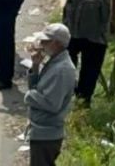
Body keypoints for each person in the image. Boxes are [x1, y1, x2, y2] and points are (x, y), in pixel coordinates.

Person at [24, 24, 78, 166]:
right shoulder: (55, 62)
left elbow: (52, 104)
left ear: (56, 43)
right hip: (41, 132)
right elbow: (38, 88)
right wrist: (35, 67)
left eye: (45, 41)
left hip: (46, 136)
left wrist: (29, 96)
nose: (41, 45)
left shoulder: (62, 70)